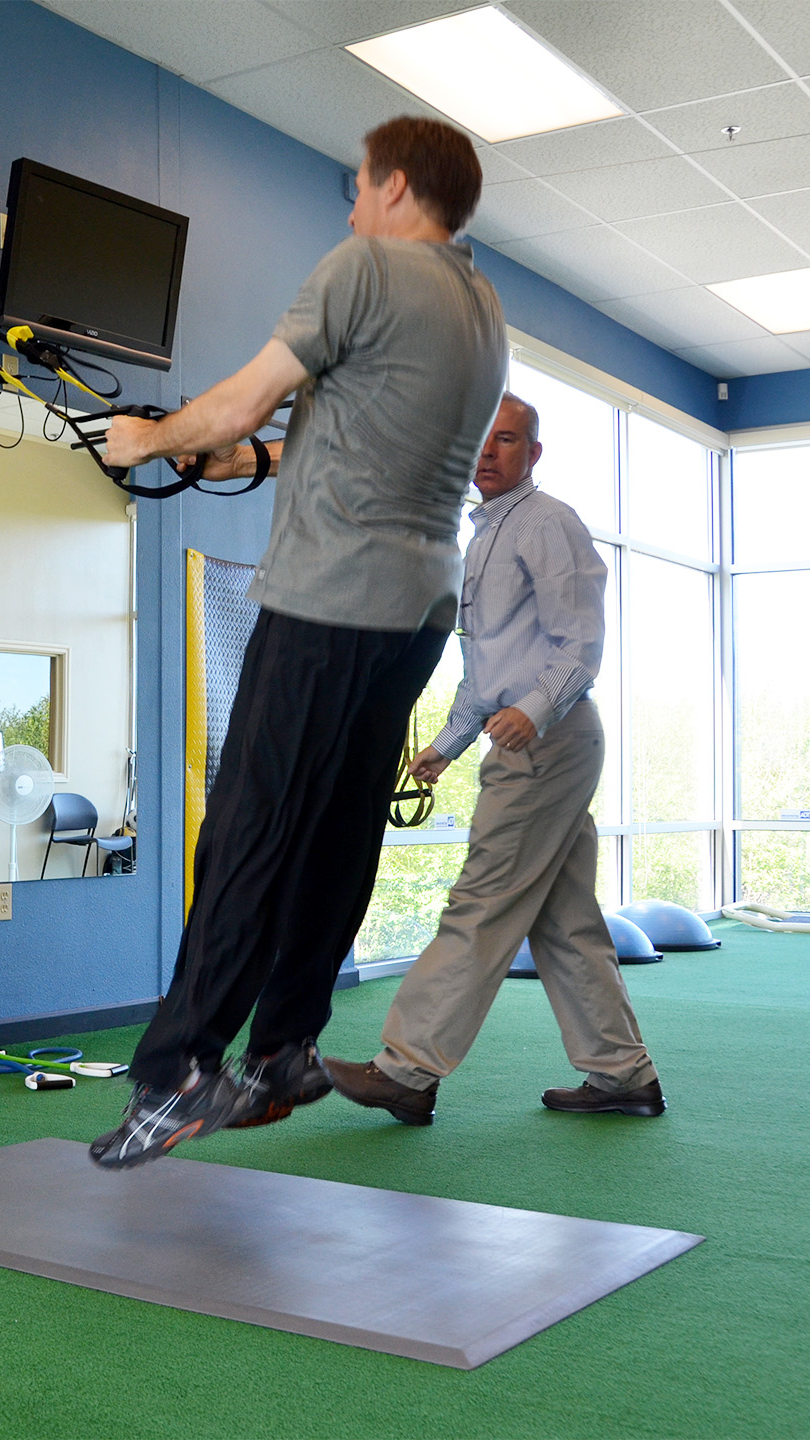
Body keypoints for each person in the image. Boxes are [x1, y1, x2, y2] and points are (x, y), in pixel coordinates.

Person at [89, 116, 509, 1168]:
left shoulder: (364, 265)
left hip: (327, 600)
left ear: (398, 187)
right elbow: (378, 437)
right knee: (334, 832)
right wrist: (263, 463)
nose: (353, 206)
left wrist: (151, 437)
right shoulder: (480, 305)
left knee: (248, 829)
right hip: (416, 612)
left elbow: (236, 396)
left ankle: (182, 1066)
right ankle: (285, 1049)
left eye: (361, 188)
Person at [324, 394, 665, 1125]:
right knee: (565, 919)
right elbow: (487, 668)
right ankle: (621, 1074)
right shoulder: (483, 536)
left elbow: (581, 641)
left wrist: (531, 709)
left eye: (505, 441)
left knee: (479, 901)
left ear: (532, 453)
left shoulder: (548, 524)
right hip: (533, 737)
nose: (488, 454)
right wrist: (445, 747)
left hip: (548, 741)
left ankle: (407, 1070)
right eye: (478, 442)